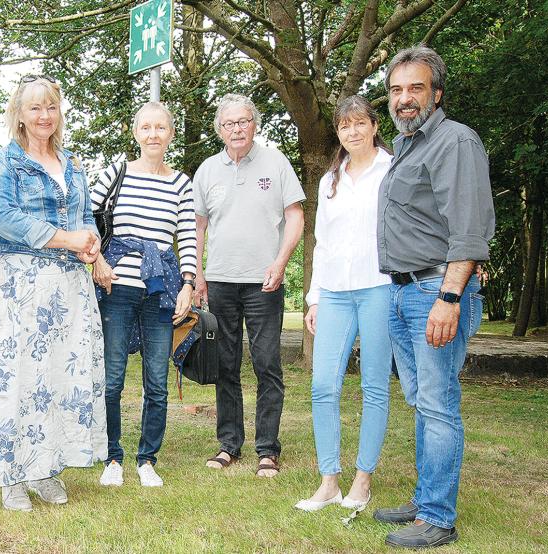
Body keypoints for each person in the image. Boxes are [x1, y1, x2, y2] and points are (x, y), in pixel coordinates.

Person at [372, 45, 495, 549]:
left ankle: (439, 517)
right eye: (397, 90)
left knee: (439, 404)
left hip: (435, 291)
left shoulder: (455, 142)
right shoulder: (406, 146)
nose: (405, 99)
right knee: (421, 401)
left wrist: (449, 296)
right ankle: (425, 501)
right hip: (405, 291)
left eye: (416, 88)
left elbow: (468, 232)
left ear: (436, 93)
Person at [0, 75, 107, 512]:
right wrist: (70, 240)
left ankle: (46, 469)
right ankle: (11, 476)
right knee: (18, 377)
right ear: (19, 115)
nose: (43, 115)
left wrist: (92, 244)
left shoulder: (72, 163)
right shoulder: (3, 162)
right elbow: (5, 217)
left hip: (69, 285)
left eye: (50, 106)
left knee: (56, 378)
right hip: (22, 284)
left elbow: (86, 214)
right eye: (34, 108)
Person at [193, 94, 305, 477]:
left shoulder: (276, 163)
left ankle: (267, 449)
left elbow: (295, 216)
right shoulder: (208, 170)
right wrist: (198, 273)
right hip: (221, 281)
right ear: (220, 130)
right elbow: (198, 227)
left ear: (255, 124)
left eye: (243, 122)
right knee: (225, 365)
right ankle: (229, 445)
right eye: (229, 124)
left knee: (266, 363)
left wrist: (281, 262)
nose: (237, 129)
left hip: (264, 282)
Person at [293, 96, 393, 512]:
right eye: (344, 126)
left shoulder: (393, 169)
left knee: (373, 385)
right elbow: (322, 242)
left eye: (359, 124)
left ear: (373, 125)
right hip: (334, 292)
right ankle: (329, 480)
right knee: (322, 386)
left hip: (379, 287)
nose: (352, 132)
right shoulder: (329, 180)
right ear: (338, 133)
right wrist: (314, 297)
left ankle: (362, 479)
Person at [90, 101, 196, 488]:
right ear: (136, 132)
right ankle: (112, 457)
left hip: (161, 290)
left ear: (170, 133)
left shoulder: (181, 183)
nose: (154, 135)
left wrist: (188, 283)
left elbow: (186, 235)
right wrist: (96, 259)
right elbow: (87, 214)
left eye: (161, 128)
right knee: (112, 377)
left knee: (157, 380)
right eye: (146, 128)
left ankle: (147, 458)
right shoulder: (117, 172)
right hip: (115, 287)